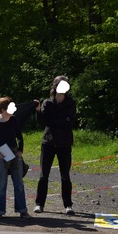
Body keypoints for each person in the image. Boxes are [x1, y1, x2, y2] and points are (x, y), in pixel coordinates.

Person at [34, 76, 77, 215]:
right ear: (55, 86)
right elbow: (44, 122)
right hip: (48, 142)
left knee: (65, 175)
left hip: (65, 143)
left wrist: (54, 121)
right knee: (43, 175)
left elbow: (69, 122)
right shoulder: (47, 103)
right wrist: (39, 111)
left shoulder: (71, 103)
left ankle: (68, 205)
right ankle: (39, 204)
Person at [0, 96, 30, 219]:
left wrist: (20, 150)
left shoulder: (13, 119)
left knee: (19, 183)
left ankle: (22, 210)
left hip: (14, 153)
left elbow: (20, 137)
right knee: (1, 184)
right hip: (1, 154)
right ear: (3, 109)